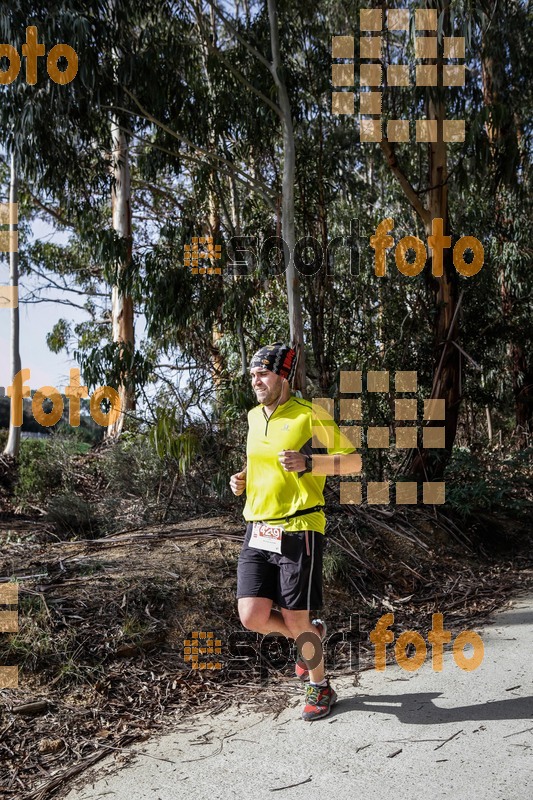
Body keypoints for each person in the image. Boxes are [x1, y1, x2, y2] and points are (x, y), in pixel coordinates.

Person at [230, 342, 361, 720]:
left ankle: (320, 686)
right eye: (252, 375)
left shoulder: (309, 414)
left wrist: (309, 462)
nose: (256, 381)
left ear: (283, 375)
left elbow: (353, 462)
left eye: (263, 374)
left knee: (295, 618)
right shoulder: (255, 417)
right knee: (252, 616)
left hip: (299, 526)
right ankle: (312, 638)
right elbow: (259, 460)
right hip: (258, 527)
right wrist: (243, 479)